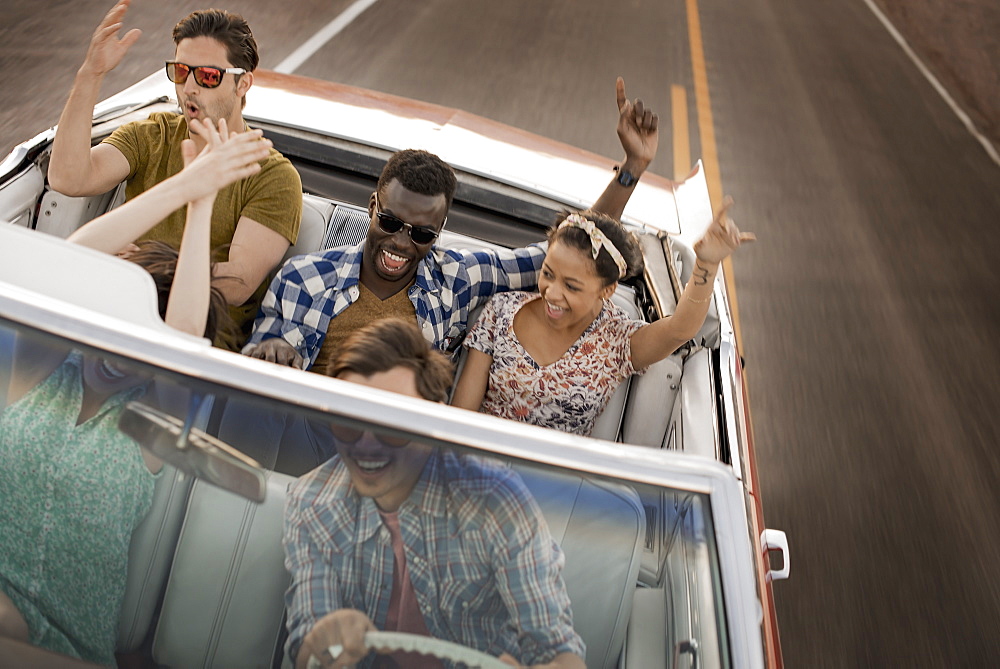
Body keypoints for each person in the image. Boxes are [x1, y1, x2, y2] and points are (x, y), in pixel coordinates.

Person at [0, 118, 269, 666]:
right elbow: (65, 264)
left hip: (60, 646)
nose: (120, 354)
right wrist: (188, 183)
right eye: (115, 327)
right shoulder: (39, 365)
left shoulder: (151, 420)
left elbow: (184, 338)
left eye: (143, 343)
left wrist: (201, 204)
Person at [244, 77, 657, 373]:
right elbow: (251, 362)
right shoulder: (303, 278)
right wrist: (272, 350)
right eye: (390, 222)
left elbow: (575, 248)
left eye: (422, 233)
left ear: (439, 231)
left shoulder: (457, 278)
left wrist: (631, 170)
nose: (401, 242)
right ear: (372, 207)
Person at [283, 318, 585, 669]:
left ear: (434, 422)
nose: (366, 444)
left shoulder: (494, 501)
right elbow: (307, 645)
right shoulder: (311, 502)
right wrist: (323, 641)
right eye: (348, 420)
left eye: (392, 425)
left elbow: (557, 649)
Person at [47, 0, 303, 345]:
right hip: (116, 314)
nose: (190, 88)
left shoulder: (273, 175)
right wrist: (90, 76)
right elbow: (68, 178)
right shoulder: (153, 134)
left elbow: (238, 283)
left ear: (243, 85)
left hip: (200, 343)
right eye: (182, 72)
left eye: (208, 76)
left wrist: (149, 264)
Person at [451, 202, 755, 437]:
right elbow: (460, 419)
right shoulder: (501, 310)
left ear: (607, 290)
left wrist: (707, 264)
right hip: (477, 468)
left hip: (555, 495)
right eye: (548, 274)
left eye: (571, 286)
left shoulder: (617, 339)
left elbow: (680, 330)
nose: (552, 293)